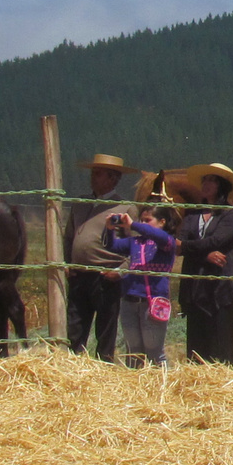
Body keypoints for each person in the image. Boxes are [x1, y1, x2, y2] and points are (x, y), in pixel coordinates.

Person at [64, 153, 139, 363]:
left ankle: (104, 366)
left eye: (98, 174)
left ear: (113, 179)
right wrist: (67, 263)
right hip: (79, 274)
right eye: (93, 173)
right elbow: (69, 237)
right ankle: (72, 363)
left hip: (106, 276)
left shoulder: (125, 208)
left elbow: (137, 245)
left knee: (105, 327)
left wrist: (121, 270)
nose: (93, 178)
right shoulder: (79, 204)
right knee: (75, 324)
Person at [176, 163, 233, 364]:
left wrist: (188, 247)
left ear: (221, 185)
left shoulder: (231, 215)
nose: (206, 184)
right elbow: (178, 245)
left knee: (219, 343)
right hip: (194, 286)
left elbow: (216, 242)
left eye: (212, 180)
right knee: (195, 345)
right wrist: (205, 256)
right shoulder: (192, 214)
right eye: (204, 180)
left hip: (218, 287)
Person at [104, 204, 178, 368]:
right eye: (141, 220)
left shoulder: (167, 242)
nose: (143, 224)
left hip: (152, 302)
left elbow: (157, 236)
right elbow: (112, 246)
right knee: (133, 351)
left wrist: (134, 225)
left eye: (148, 220)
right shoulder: (135, 242)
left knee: (154, 352)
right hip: (129, 300)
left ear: (162, 222)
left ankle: (161, 386)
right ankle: (136, 387)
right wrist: (110, 229)